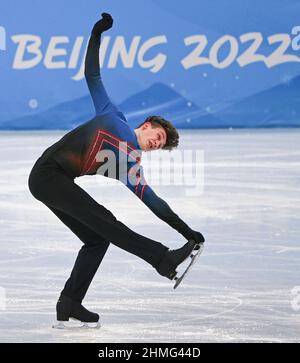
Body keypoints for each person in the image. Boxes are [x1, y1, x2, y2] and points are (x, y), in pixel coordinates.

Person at [28, 13, 205, 328]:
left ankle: (70, 303)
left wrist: (186, 232)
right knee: (106, 223)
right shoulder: (112, 115)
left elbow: (154, 202)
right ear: (147, 125)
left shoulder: (129, 164)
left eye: (160, 146)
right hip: (46, 172)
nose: (155, 144)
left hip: (55, 181)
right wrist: (97, 33)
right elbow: (92, 75)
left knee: (97, 238)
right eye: (158, 137)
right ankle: (163, 260)